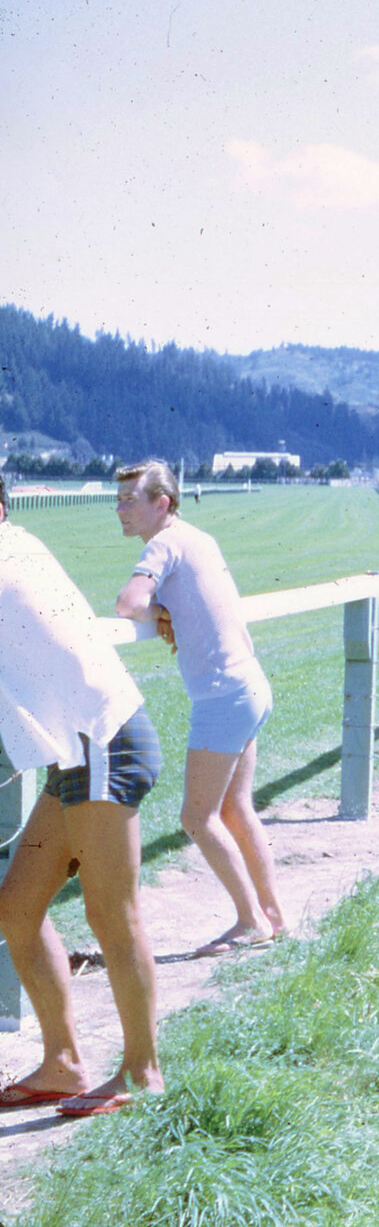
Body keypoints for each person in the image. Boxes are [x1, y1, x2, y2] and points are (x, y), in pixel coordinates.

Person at [0, 474, 165, 1117]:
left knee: (112, 916)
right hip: (80, 752)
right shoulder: (22, 542)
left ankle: (143, 1071)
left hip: (102, 745)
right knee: (16, 907)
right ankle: (63, 1064)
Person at [112, 459, 287, 957]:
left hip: (223, 697)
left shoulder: (163, 542)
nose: (120, 510)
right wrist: (167, 611)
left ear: (162, 504)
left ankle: (252, 921)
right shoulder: (198, 537)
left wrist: (156, 611)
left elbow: (127, 604)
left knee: (197, 816)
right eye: (118, 500)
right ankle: (272, 914)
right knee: (234, 808)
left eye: (130, 500)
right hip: (250, 684)